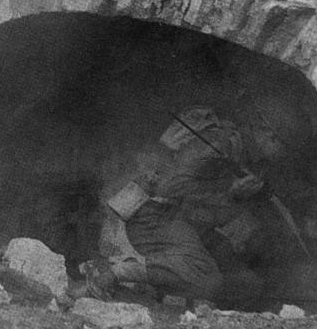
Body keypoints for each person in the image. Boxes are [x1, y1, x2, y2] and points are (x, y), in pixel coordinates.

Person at [81, 108, 272, 309]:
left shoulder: (242, 150)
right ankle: (119, 272)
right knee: (208, 279)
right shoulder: (219, 144)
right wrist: (230, 190)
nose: (280, 154)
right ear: (268, 135)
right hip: (154, 217)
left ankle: (168, 288)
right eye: (282, 146)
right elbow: (170, 187)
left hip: (182, 219)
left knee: (244, 280)